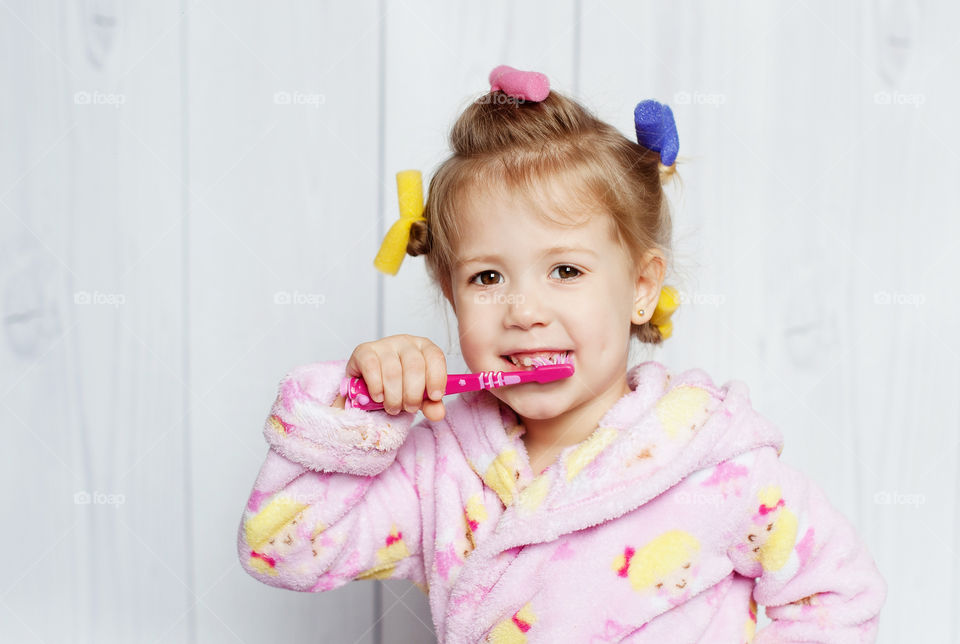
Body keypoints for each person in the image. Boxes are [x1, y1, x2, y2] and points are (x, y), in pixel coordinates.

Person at [237, 65, 886, 643]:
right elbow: (281, 549)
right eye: (487, 277)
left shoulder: (714, 465)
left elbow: (838, 596)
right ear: (451, 295)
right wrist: (361, 411)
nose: (523, 310)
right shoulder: (442, 467)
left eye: (566, 271)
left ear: (641, 288)